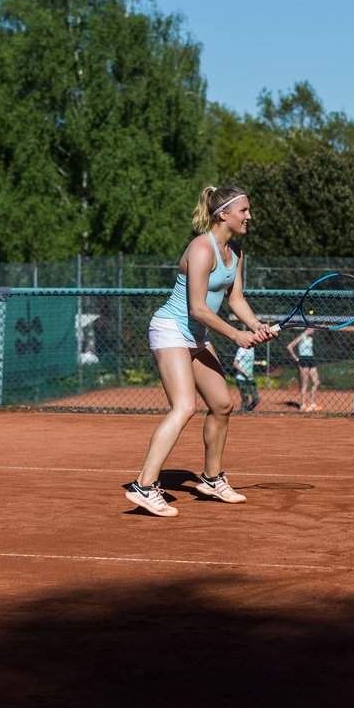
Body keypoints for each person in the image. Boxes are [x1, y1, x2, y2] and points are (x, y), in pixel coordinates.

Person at [123, 186, 276, 517]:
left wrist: (255, 327)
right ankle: (144, 486)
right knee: (184, 406)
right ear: (224, 214)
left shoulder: (235, 250)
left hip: (196, 335)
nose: (250, 216)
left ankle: (210, 479)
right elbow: (196, 307)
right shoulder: (201, 248)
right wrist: (235, 334)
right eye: (244, 211)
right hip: (171, 329)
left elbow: (235, 299)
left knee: (222, 404)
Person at [287, 327, 320, 411]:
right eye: (313, 329)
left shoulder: (310, 338)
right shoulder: (302, 336)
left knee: (316, 382)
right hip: (303, 360)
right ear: (308, 329)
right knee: (305, 383)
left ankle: (312, 404)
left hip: (311, 359)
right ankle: (303, 405)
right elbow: (289, 346)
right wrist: (296, 359)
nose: (314, 330)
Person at [233, 343, 259, 412]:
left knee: (256, 399)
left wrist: (260, 363)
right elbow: (235, 363)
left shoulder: (252, 348)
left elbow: (250, 362)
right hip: (241, 378)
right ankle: (242, 413)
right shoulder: (242, 349)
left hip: (250, 378)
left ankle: (247, 410)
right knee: (245, 398)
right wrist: (245, 373)